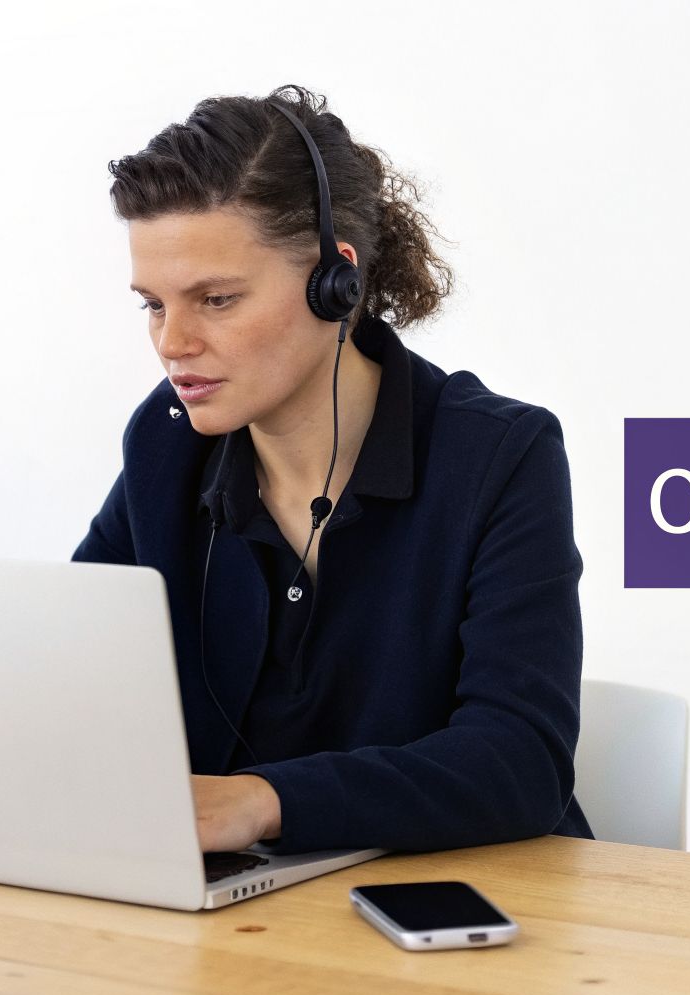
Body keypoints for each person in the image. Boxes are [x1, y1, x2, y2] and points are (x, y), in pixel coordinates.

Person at [72, 84, 593, 854]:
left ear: (333, 283)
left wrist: (266, 801)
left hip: (460, 908)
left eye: (214, 299)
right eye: (152, 303)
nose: (171, 342)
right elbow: (64, 671)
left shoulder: (498, 458)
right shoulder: (167, 439)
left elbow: (520, 763)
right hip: (234, 915)